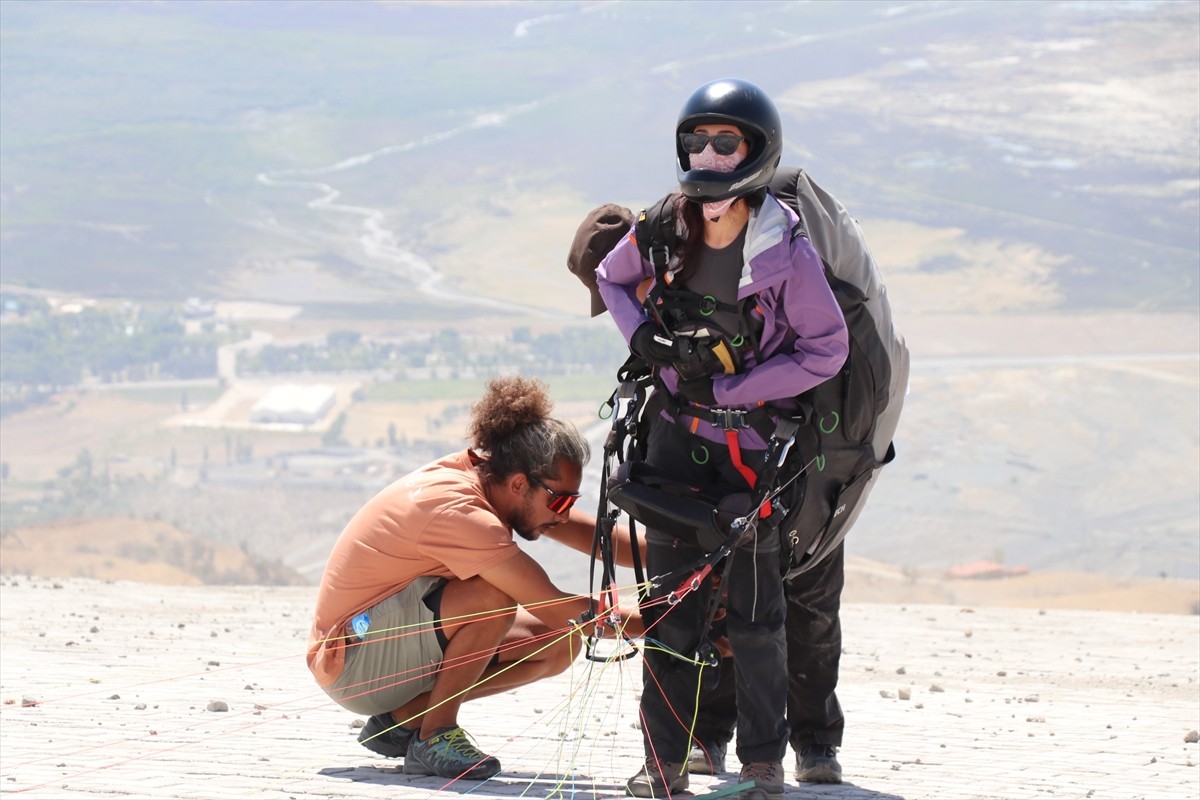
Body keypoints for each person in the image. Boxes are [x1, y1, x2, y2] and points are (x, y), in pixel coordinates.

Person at [595, 78, 849, 800]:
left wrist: (733, 389)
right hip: (674, 449)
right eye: (696, 141)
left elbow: (825, 350)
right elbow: (614, 281)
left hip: (753, 454)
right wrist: (645, 338)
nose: (707, 154)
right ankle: (662, 768)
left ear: (756, 151)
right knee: (669, 613)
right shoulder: (665, 225)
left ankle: (762, 768)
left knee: (757, 618)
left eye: (724, 141)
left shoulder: (783, 251)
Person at [307, 375, 642, 781]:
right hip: (352, 664)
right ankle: (435, 736)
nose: (564, 512)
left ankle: (406, 718)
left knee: (560, 644)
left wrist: (694, 559)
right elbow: (553, 607)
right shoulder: (463, 514)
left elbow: (598, 539)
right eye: (560, 500)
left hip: (380, 643)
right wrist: (671, 622)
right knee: (494, 599)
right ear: (520, 483)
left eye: (572, 500)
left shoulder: (498, 484)